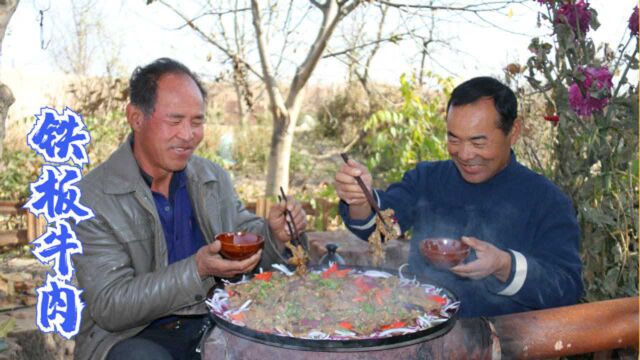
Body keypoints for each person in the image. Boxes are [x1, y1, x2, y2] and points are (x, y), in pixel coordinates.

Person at [72, 58, 307, 360]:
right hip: (131, 337)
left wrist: (274, 234)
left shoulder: (212, 179)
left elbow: (244, 234)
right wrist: (197, 269)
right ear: (136, 117)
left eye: (197, 122)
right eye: (175, 121)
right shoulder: (92, 198)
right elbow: (111, 306)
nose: (188, 134)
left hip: (214, 323)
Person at [335, 76, 582, 318]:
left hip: (501, 345)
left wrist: (504, 265)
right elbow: (380, 230)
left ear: (513, 132)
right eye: (453, 139)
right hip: (420, 328)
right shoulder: (428, 179)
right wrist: (359, 200)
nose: (464, 154)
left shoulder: (546, 200)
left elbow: (567, 288)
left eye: (478, 142)